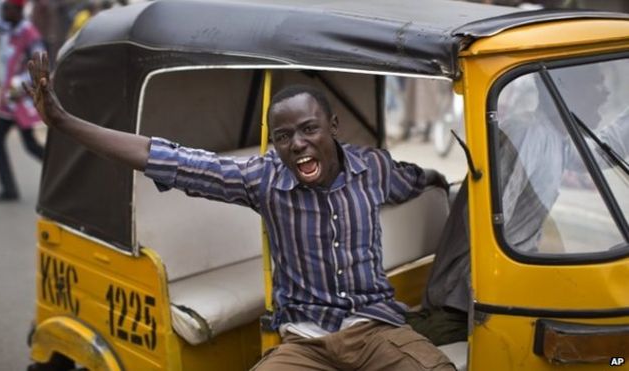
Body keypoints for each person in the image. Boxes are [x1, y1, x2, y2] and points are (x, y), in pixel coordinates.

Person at [25, 52, 455, 370]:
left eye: (309, 129)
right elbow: (169, 160)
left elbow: (415, 178)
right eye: (284, 137)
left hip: (376, 330)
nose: (298, 144)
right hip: (305, 341)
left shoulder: (372, 168)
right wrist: (63, 122)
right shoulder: (264, 178)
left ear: (333, 128)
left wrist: (446, 186)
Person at [408, 63, 629, 345]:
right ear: (565, 91)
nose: (606, 93)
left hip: (502, 290)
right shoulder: (527, 134)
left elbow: (598, 151)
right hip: (467, 303)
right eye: (597, 84)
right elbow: (489, 226)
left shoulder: (553, 138)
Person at [0, 0, 46, 203]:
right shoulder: (10, 29)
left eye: (6, 8)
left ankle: (62, 175)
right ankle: (9, 189)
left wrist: (19, 84)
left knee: (29, 145)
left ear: (17, 10)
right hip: (8, 100)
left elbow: (39, 69)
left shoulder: (30, 35)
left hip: (20, 100)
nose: (2, 12)